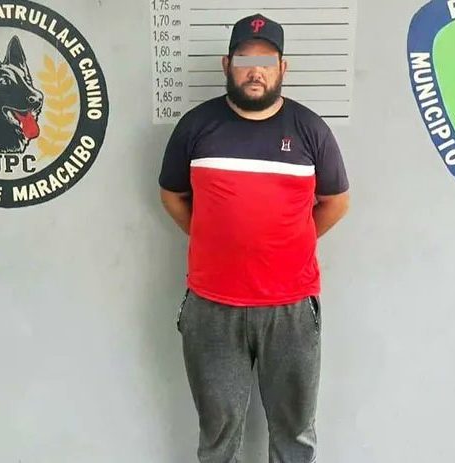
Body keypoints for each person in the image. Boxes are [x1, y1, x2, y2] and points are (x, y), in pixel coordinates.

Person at [158, 13, 350, 463]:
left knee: (294, 434)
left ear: (283, 68)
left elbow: (336, 202)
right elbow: (172, 195)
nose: (255, 71)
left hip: (291, 309)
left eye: (266, 62)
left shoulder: (310, 130)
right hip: (212, 307)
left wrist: (288, 243)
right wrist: (213, 238)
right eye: (245, 60)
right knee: (218, 434)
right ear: (227, 64)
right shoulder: (195, 127)